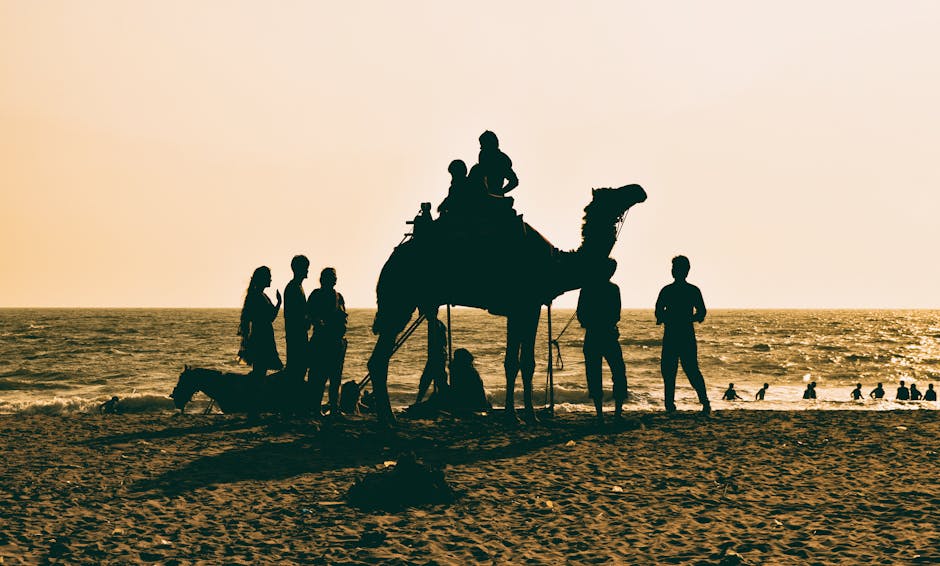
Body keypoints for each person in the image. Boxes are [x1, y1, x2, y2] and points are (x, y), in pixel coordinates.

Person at [655, 255, 710, 414]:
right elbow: (701, 313)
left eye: (675, 268)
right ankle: (703, 402)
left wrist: (667, 318)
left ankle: (671, 405)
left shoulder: (667, 290)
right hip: (685, 334)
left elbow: (658, 312)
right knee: (690, 370)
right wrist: (689, 318)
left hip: (673, 335)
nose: (674, 271)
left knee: (671, 371)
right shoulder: (692, 290)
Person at [577, 258, 628, 423]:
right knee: (618, 372)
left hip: (593, 335)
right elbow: (616, 314)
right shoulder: (613, 289)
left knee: (595, 374)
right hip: (607, 335)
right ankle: (616, 413)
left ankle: (601, 414)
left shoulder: (588, 289)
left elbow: (581, 315)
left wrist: (592, 323)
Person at [307, 267, 348, 418]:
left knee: (335, 377)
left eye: (335, 277)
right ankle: (316, 407)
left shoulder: (339, 296)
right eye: (332, 277)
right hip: (322, 342)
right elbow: (309, 315)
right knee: (319, 377)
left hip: (336, 342)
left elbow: (343, 317)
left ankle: (334, 408)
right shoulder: (316, 295)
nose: (334, 279)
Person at [238, 266, 283, 377]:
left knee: (260, 368)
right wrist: (279, 303)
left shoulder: (260, 295)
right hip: (261, 335)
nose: (270, 280)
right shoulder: (257, 296)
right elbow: (270, 317)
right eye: (269, 277)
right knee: (260, 367)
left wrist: (278, 303)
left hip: (262, 334)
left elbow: (270, 317)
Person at [283, 255, 311, 379]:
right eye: (305, 268)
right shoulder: (293, 288)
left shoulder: (297, 287)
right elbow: (292, 315)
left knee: (300, 367)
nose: (307, 270)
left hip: (298, 334)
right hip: (296, 335)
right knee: (297, 368)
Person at [469, 130, 519, 197]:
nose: (481, 147)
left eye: (483, 145)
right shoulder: (481, 160)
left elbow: (514, 181)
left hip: (493, 196)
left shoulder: (502, 160)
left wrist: (501, 192)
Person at [415, 308, 448, 405]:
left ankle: (419, 401)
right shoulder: (438, 324)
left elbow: (436, 343)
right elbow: (444, 342)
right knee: (438, 380)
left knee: (427, 379)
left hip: (436, 356)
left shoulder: (434, 324)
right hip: (439, 355)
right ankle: (441, 399)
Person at [448, 348, 491, 412]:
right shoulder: (468, 370)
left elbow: (460, 390)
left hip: (471, 403)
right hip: (477, 402)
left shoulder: (465, 371)